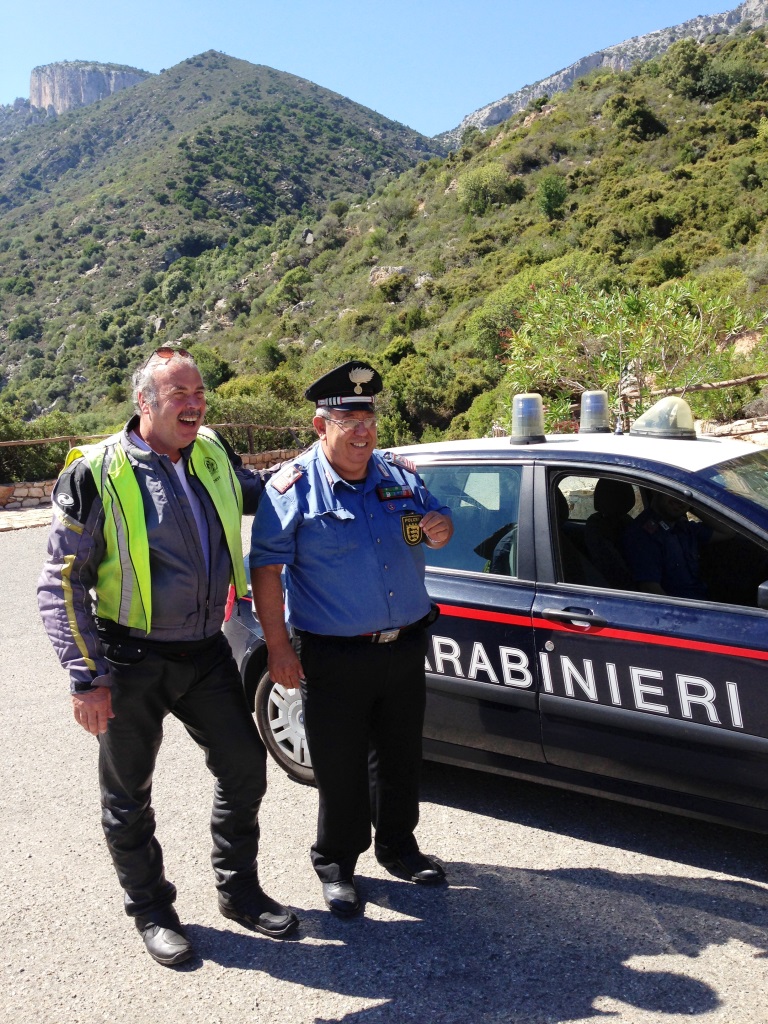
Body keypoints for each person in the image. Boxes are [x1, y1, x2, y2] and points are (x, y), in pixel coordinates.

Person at [37, 347, 298, 967]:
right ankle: (152, 911)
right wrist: (86, 676)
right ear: (144, 402)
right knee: (128, 796)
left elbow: (259, 491)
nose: (194, 404)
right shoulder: (96, 471)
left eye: (199, 392)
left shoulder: (210, 451)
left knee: (244, 767)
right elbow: (61, 581)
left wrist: (321, 462)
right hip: (129, 658)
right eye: (180, 394)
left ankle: (238, 891)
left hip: (206, 649)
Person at [249, 360, 454, 917]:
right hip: (333, 654)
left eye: (368, 418)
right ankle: (337, 862)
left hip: (404, 644)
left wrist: (441, 528)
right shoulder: (291, 487)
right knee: (339, 766)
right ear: (321, 426)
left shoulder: (399, 476)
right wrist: (278, 648)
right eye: (348, 421)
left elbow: (437, 523)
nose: (363, 431)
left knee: (400, 756)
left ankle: (398, 847)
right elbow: (265, 570)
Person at [621, 489, 720, 599]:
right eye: (674, 490)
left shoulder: (684, 527)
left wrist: (691, 505)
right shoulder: (643, 535)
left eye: (687, 494)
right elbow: (650, 589)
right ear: (656, 490)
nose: (680, 500)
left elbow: (727, 531)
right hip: (682, 607)